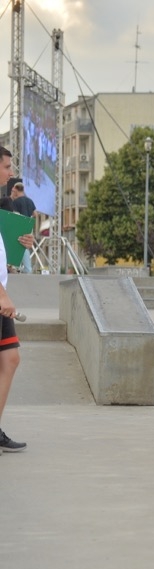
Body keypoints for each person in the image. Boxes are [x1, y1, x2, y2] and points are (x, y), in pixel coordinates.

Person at [0, 145, 26, 453]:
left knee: (10, 358)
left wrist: (20, 244)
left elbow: (6, 248)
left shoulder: (6, 202)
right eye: (7, 166)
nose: (11, 172)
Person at [9, 179, 36, 274]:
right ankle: (26, 268)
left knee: (19, 245)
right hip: (28, 227)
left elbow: (14, 215)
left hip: (18, 227)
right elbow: (35, 214)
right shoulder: (30, 201)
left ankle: (21, 267)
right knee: (25, 247)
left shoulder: (15, 202)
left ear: (15, 189)